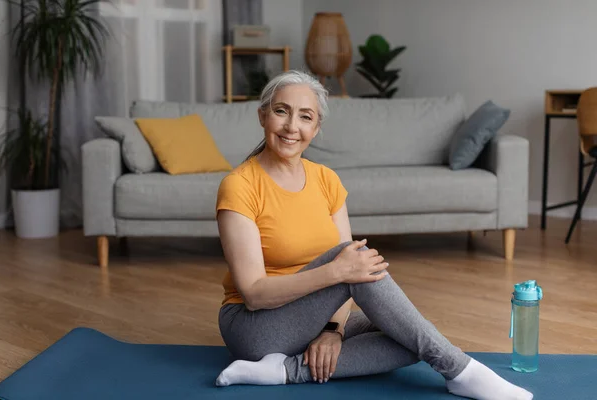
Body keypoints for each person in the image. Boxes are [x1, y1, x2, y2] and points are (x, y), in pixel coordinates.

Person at [213, 70, 533, 400]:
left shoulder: (326, 180)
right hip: (254, 328)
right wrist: (335, 272)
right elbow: (254, 293)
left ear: (316, 127)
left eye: (305, 116)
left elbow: (350, 271)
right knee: (355, 267)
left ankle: (283, 371)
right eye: (281, 111)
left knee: (410, 335)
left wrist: (333, 330)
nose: (292, 126)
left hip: (310, 320)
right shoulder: (239, 186)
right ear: (262, 115)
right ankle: (461, 371)